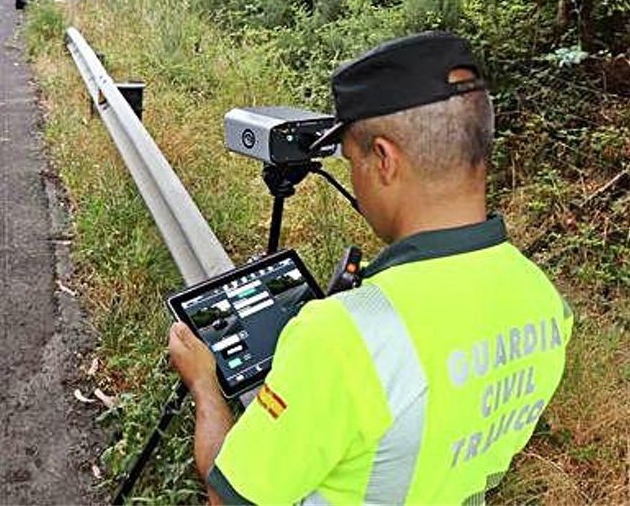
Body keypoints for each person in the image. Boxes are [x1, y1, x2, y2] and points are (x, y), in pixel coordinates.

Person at [169, 30, 573, 505]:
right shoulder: (546, 301)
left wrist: (203, 384)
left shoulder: (341, 337)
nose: (355, 180)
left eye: (352, 160)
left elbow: (231, 497)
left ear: (383, 159)